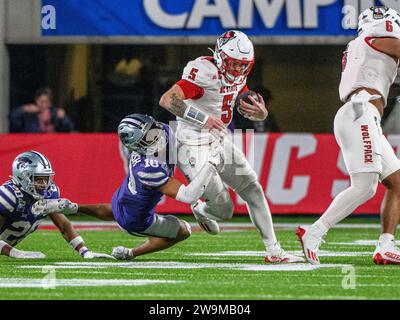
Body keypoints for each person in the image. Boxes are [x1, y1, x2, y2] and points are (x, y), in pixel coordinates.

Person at [159, 30, 303, 263]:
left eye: (243, 65)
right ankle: (202, 208)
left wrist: (261, 113)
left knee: (253, 189)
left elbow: (239, 97)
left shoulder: (236, 75)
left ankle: (274, 252)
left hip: (217, 139)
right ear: (220, 55)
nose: (238, 70)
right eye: (234, 64)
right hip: (192, 142)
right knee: (225, 210)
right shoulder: (203, 72)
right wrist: (205, 120)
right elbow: (167, 100)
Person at [297, 6, 400, 265]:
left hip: (362, 113)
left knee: (398, 182)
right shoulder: (376, 38)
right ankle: (315, 231)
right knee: (365, 187)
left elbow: (383, 78)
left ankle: (386, 244)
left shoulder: (363, 45)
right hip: (360, 111)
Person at [48, 114, 224, 260]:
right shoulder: (148, 168)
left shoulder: (163, 130)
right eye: (147, 138)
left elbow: (181, 156)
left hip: (124, 197)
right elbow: (187, 195)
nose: (155, 137)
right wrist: (211, 163)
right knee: (184, 230)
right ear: (136, 146)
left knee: (117, 210)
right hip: (136, 219)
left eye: (152, 130)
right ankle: (131, 253)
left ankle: (75, 207)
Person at [0, 151, 111, 259]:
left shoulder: (49, 193)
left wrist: (84, 250)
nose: (44, 185)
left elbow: (63, 225)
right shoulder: (9, 196)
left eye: (46, 179)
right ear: (22, 178)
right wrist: (16, 253)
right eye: (38, 179)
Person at [9, 87, 74, 133]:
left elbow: (68, 128)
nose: (44, 105)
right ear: (36, 100)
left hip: (51, 145)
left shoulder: (55, 113)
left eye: (47, 102)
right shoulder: (29, 113)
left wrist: (63, 118)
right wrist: (23, 109)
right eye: (41, 102)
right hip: (33, 145)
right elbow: (12, 118)